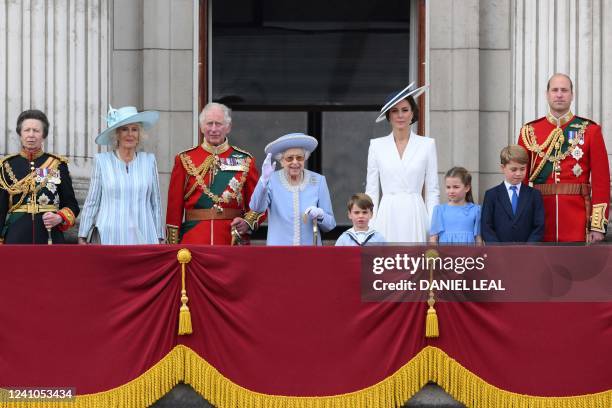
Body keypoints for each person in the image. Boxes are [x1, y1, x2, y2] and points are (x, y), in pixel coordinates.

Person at [518, 73, 610, 243]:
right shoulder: (529, 132)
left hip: (578, 220)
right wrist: (522, 221)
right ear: (547, 95)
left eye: (564, 90)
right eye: (555, 90)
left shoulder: (590, 130)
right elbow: (521, 181)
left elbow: (601, 181)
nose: (559, 94)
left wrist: (597, 225)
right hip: (540, 218)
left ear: (572, 95)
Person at [165, 102, 264, 244]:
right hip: (194, 239)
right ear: (201, 127)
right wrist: (172, 245)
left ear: (228, 127)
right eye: (209, 124)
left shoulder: (245, 160)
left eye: (218, 124)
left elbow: (258, 202)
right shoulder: (185, 159)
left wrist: (247, 222)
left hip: (231, 239)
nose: (213, 129)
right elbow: (174, 207)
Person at [77, 106, 164, 245]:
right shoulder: (102, 161)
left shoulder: (149, 161)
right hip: (110, 235)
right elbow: (92, 201)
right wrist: (83, 235)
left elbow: (156, 202)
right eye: (124, 129)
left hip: (144, 234)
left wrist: (160, 235)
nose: (130, 134)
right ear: (116, 134)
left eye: (134, 129)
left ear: (139, 134)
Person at [366, 82, 439, 243]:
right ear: (389, 115)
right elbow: (371, 190)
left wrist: (434, 227)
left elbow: (433, 190)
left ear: (413, 113)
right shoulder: (376, 146)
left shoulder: (427, 145)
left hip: (415, 212)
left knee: (415, 264)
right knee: (388, 263)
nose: (400, 115)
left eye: (405, 110)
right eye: (395, 111)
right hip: (387, 213)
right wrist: (370, 225)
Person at [0, 110, 80, 244]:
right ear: (20, 134)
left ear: (43, 135)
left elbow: (72, 205)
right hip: (16, 236)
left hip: (49, 236)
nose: (31, 135)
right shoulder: (7, 166)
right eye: (27, 130)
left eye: (36, 130)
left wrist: (59, 217)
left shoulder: (57, 164)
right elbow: (1, 209)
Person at [249, 133, 336, 245]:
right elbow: (256, 208)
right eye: (289, 158)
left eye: (299, 158)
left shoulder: (318, 181)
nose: (295, 162)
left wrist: (320, 215)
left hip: (309, 253)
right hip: (280, 253)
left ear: (305, 159)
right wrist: (264, 180)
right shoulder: (271, 180)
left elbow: (330, 225)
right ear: (281, 161)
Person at [481, 145, 545, 243]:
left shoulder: (534, 195)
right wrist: (498, 250)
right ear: (502, 168)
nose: (518, 173)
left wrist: (528, 249)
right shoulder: (491, 195)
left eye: (522, 169)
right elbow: (486, 227)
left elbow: (539, 226)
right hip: (500, 254)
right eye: (514, 169)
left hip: (527, 253)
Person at [429, 167, 482, 244]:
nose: (451, 191)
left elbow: (478, 239)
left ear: (467, 188)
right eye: (448, 187)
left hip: (469, 255)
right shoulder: (439, 210)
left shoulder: (475, 210)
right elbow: (433, 240)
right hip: (445, 255)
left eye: (456, 187)